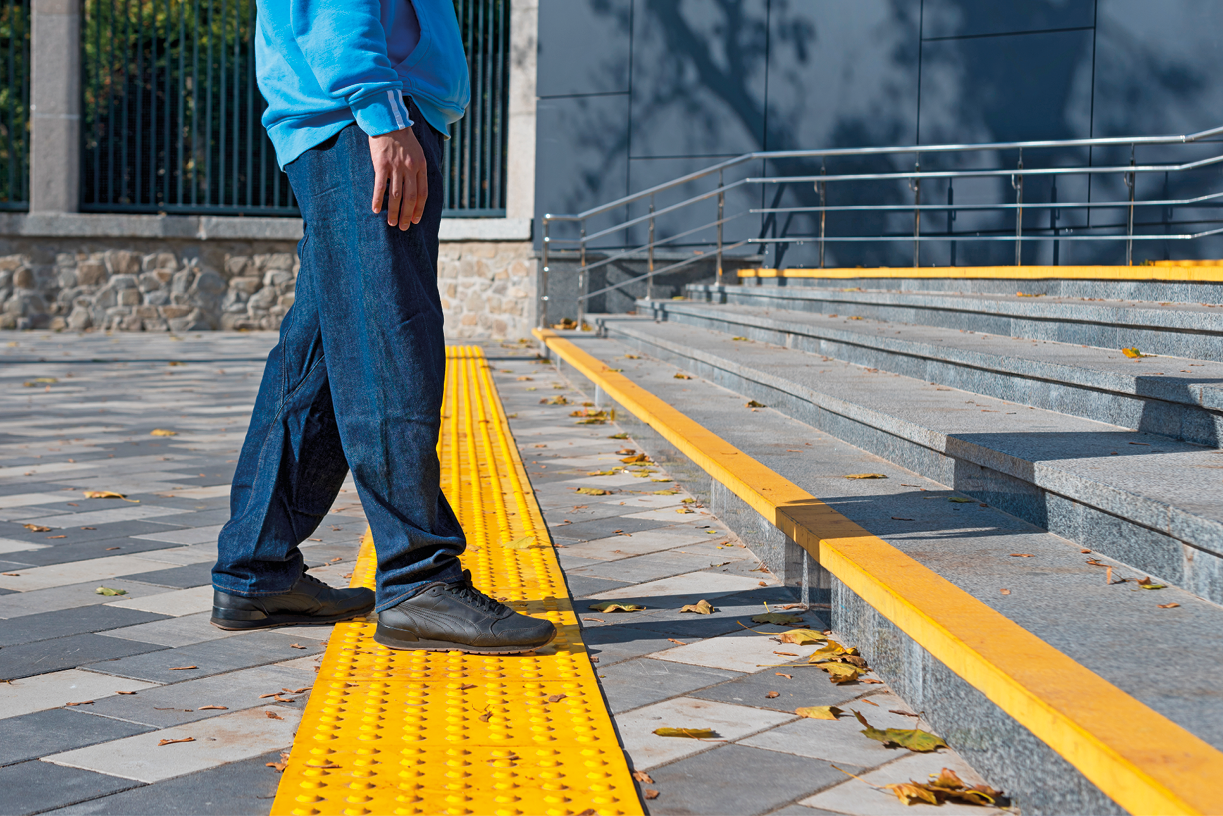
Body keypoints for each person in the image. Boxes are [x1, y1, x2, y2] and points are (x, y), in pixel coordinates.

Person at [208, 0, 555, 655]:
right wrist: (379, 108)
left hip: (357, 114)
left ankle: (257, 565)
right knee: (391, 339)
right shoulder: (374, 112)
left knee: (320, 355)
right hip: (365, 117)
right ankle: (417, 574)